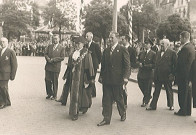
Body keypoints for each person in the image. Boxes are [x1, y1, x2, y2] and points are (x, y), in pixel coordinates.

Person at [97, 31, 130, 126]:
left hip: (117, 80)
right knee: (106, 99)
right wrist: (101, 76)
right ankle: (106, 118)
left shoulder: (122, 49)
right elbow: (103, 65)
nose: (110, 39)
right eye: (109, 37)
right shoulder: (106, 51)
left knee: (119, 98)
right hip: (107, 80)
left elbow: (127, 65)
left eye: (112, 37)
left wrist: (125, 77)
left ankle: (122, 112)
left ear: (117, 38)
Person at [146, 38, 177, 111]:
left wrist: (173, 74)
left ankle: (171, 105)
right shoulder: (158, 52)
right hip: (158, 75)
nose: (161, 45)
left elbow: (175, 65)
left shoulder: (172, 53)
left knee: (169, 91)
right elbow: (156, 64)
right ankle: (153, 105)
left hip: (167, 75)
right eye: (161, 44)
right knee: (156, 91)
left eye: (163, 44)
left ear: (167, 45)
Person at [69, 36, 95, 121]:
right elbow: (70, 65)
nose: (76, 45)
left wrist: (88, 79)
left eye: (78, 43)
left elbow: (89, 67)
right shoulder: (74, 53)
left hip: (82, 78)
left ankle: (75, 112)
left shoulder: (86, 53)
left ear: (83, 44)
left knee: (81, 94)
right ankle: (75, 110)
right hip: (73, 77)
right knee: (74, 94)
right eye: (76, 43)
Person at [174, 31, 195, 116]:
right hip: (189, 74)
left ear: (184, 38)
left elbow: (181, 63)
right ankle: (188, 110)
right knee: (188, 93)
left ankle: (183, 110)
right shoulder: (192, 47)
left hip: (183, 75)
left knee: (182, 93)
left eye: (180, 38)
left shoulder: (185, 48)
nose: (180, 40)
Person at [44, 35, 65, 100]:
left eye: (56, 39)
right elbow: (45, 54)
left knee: (54, 81)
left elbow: (62, 57)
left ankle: (54, 95)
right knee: (47, 80)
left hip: (56, 67)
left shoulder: (62, 48)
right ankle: (49, 93)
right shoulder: (49, 46)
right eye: (53, 39)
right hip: (48, 66)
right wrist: (48, 59)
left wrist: (53, 60)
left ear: (59, 39)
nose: (54, 40)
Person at [0, 37, 18, 109]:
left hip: (6, 73)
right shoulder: (0, 51)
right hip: (0, 73)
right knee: (3, 88)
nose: (2, 43)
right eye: (1, 42)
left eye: (4, 42)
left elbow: (14, 64)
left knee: (3, 87)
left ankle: (3, 102)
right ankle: (7, 102)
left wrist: (13, 75)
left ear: (7, 43)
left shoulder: (11, 51)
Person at [137, 40, 156, 107]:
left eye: (147, 44)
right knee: (140, 85)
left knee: (148, 87)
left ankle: (145, 101)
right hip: (141, 73)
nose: (145, 45)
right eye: (145, 43)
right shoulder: (142, 53)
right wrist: (138, 63)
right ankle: (148, 96)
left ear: (150, 45)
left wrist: (145, 66)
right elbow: (138, 60)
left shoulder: (153, 54)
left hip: (148, 73)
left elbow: (154, 65)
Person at [85, 32, 102, 97]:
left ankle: (91, 92)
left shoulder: (95, 45)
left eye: (87, 36)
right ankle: (92, 92)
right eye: (86, 36)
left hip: (94, 65)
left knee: (92, 78)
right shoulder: (85, 45)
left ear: (91, 37)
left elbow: (99, 55)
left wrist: (97, 63)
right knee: (89, 77)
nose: (86, 38)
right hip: (87, 65)